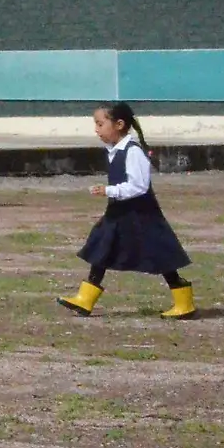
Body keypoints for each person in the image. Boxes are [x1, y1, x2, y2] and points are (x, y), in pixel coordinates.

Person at [56, 102, 197, 319]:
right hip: (119, 213)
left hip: (141, 214)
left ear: (119, 124)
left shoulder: (133, 152)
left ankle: (183, 302)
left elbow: (139, 186)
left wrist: (109, 190)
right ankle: (85, 299)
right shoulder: (114, 151)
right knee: (102, 248)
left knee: (161, 256)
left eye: (101, 124)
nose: (96, 130)